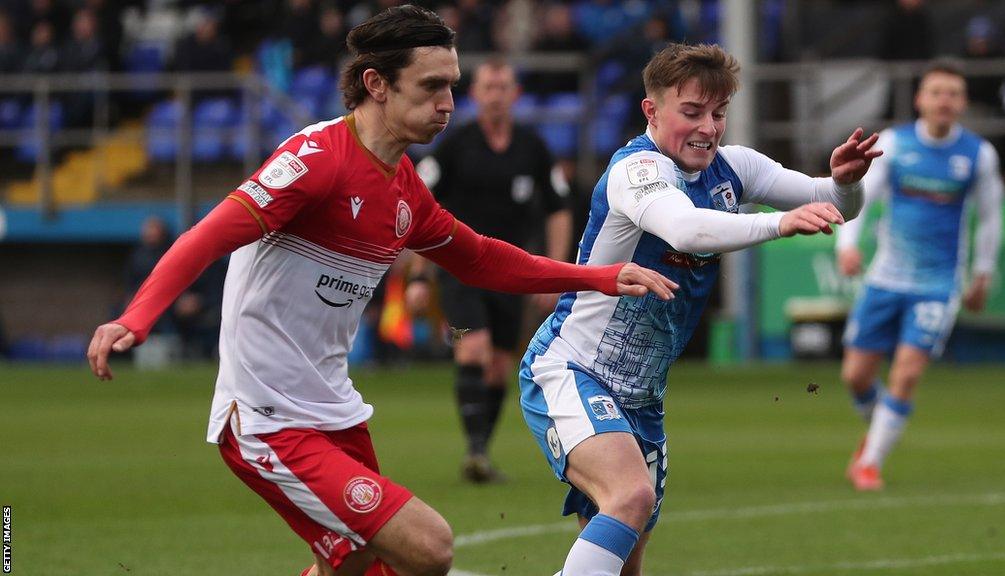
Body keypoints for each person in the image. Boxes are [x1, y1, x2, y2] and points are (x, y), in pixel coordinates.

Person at [86, 6, 676, 576]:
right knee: (428, 547)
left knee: (358, 563)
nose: (448, 103)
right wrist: (135, 318)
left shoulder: (405, 189)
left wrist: (597, 276)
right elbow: (204, 237)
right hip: (267, 418)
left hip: (336, 411)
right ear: (377, 84)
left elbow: (480, 258)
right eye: (431, 87)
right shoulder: (314, 162)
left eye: (453, 86)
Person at [518, 43, 881, 576]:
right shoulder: (636, 170)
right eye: (691, 112)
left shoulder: (734, 167)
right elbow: (687, 228)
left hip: (642, 397)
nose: (708, 128)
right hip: (572, 369)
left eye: (717, 113)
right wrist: (777, 223)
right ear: (652, 110)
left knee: (625, 560)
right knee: (630, 497)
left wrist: (848, 184)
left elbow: (832, 203)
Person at [836, 59, 1004, 492]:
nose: (944, 101)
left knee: (907, 373)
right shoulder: (894, 144)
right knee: (855, 376)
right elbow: (861, 196)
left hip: (938, 284)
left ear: (963, 102)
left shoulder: (978, 155)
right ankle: (876, 437)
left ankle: (869, 462)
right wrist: (847, 244)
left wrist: (982, 273)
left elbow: (989, 219)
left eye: (952, 93)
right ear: (919, 99)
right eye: (936, 92)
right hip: (885, 278)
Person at [410, 57, 573, 483]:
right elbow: (420, 207)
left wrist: (555, 272)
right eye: (488, 87)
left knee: (500, 366)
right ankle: (476, 451)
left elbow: (558, 210)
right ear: (475, 94)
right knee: (471, 348)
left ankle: (481, 450)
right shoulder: (454, 146)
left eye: (504, 88)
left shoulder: (533, 148)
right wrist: (418, 276)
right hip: (458, 271)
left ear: (515, 95)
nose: (496, 96)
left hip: (509, 274)